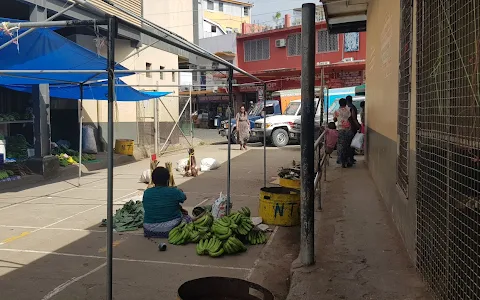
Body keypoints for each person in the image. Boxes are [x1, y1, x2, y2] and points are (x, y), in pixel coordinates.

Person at [142, 167, 191, 238]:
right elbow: (183, 198)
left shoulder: (147, 192)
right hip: (170, 229)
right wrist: (179, 191)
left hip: (149, 229)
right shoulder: (174, 191)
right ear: (168, 179)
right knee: (187, 218)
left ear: (153, 180)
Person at [333, 98, 354, 168]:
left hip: (341, 130)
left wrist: (338, 118)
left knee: (341, 146)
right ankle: (348, 161)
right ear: (346, 103)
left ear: (339, 104)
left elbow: (335, 120)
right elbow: (351, 118)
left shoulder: (337, 111)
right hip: (348, 129)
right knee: (348, 146)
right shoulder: (349, 110)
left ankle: (342, 161)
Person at [346, 95, 361, 164]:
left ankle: (347, 158)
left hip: (345, 128)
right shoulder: (352, 107)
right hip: (352, 128)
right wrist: (359, 126)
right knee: (352, 144)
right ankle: (351, 158)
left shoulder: (344, 108)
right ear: (351, 100)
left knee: (347, 144)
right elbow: (354, 118)